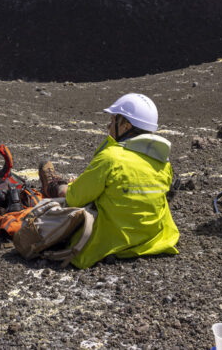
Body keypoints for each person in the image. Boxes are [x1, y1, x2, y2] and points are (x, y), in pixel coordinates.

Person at [39, 93, 179, 269]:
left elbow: (75, 199)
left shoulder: (110, 157)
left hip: (110, 245)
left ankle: (54, 186)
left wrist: (72, 188)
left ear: (126, 125)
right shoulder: (163, 163)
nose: (109, 125)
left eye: (113, 120)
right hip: (154, 241)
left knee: (65, 197)